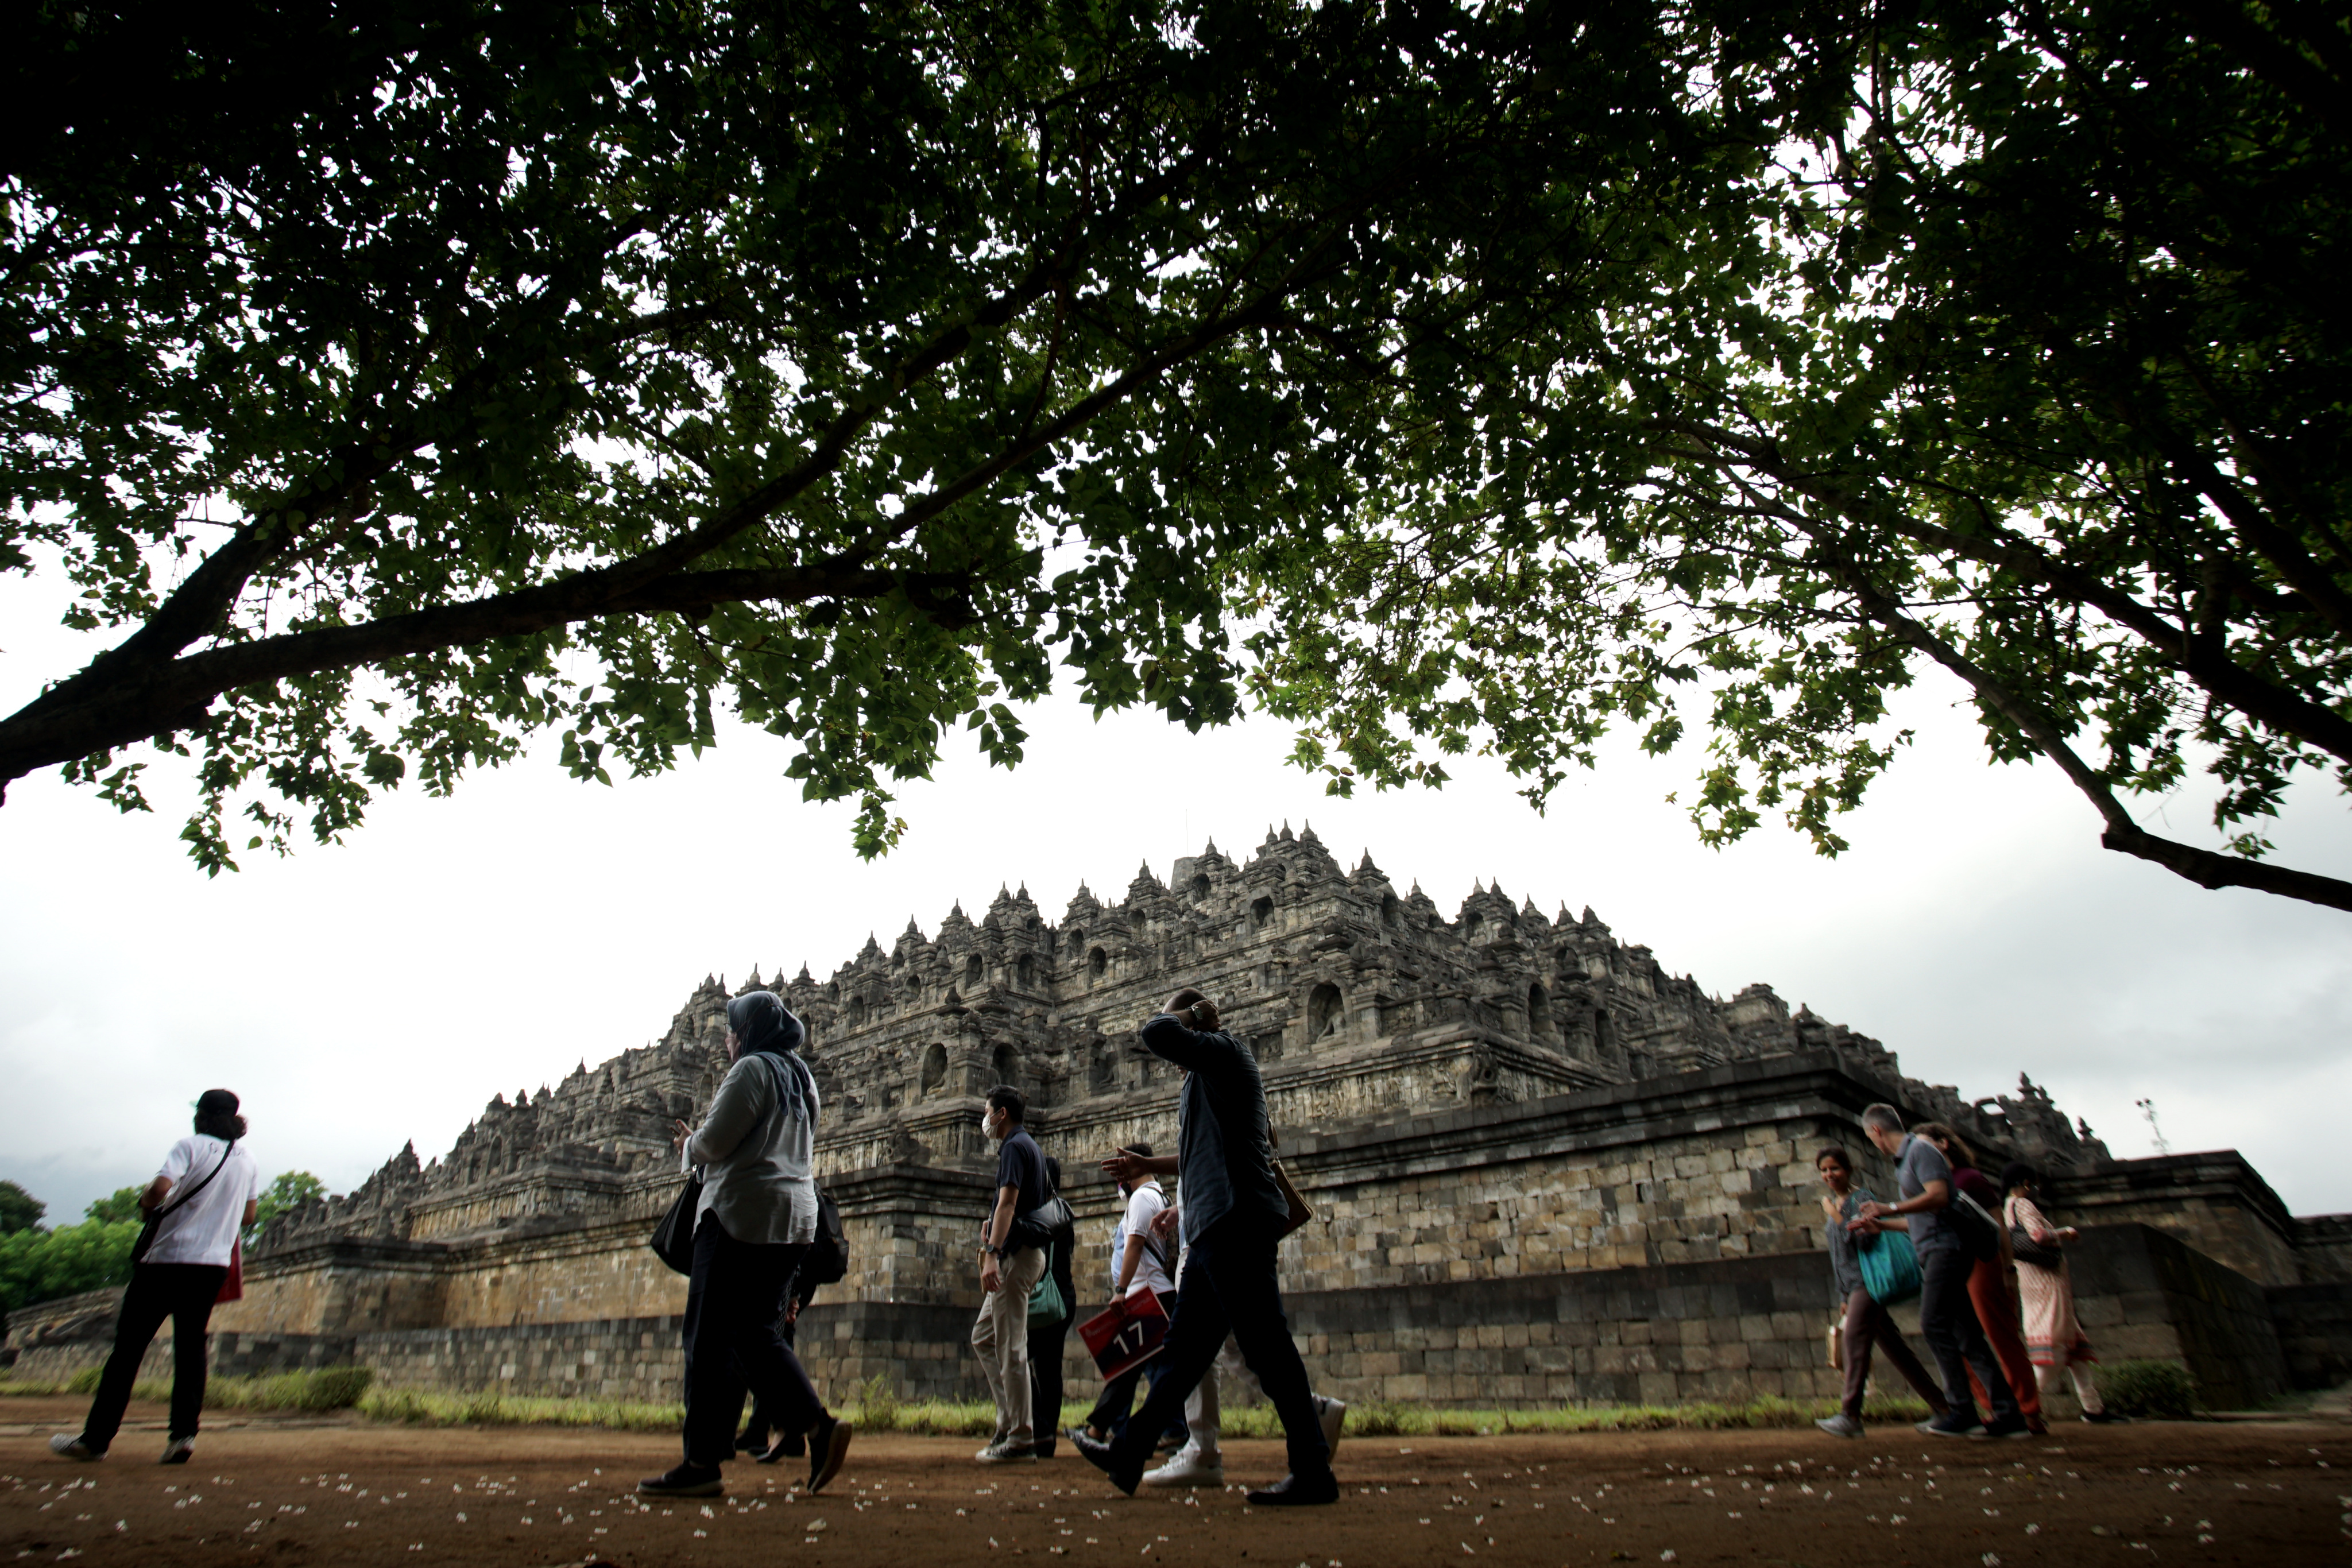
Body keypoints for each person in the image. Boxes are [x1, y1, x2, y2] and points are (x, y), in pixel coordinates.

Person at [1077, 988, 1337, 1506]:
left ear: (1196, 1026)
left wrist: (1187, 1014)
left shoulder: (1224, 1052)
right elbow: (1198, 1152)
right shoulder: (1202, 1077)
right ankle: (1129, 1451)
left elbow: (1155, 1032)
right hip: (1209, 1228)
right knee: (1184, 1354)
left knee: (1265, 1343)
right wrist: (1148, 1165)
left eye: (1185, 1030)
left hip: (1235, 1219)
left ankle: (1312, 1468)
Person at [640, 991, 851, 1499]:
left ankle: (701, 1461)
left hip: (739, 1215)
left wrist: (688, 1145)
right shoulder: (803, 1078)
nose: (727, 1040)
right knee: (756, 1335)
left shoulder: (752, 1069)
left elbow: (714, 1143)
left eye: (732, 1031)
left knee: (708, 1339)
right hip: (794, 1221)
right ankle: (818, 1426)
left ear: (748, 1032)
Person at [52, 1089, 261, 1465]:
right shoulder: (247, 1159)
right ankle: (183, 1436)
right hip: (212, 1267)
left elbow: (161, 1188)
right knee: (191, 1349)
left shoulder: (189, 1146)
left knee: (128, 1351)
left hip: (166, 1261)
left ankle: (96, 1439)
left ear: (202, 1116)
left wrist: (147, 1202)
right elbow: (249, 1217)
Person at [1851, 1104, 2027, 1440]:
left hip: (1945, 1250)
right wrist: (1882, 1225)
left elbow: (1940, 1197)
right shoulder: (1908, 1160)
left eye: (1870, 1138)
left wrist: (1889, 1207)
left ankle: (1962, 1411)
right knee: (1967, 1335)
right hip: (1936, 1248)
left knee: (1933, 1324)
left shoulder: (1921, 1150)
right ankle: (2008, 1414)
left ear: (1876, 1131)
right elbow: (1922, 1216)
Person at [1913, 1121, 2045, 1434]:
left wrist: (2008, 1267)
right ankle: (1992, 1407)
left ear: (1944, 1144)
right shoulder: (1933, 1183)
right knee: (1962, 1338)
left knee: (1999, 1334)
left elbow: (1998, 1224)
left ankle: (2028, 1410)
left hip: (1982, 1261)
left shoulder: (1968, 1178)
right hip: (1949, 1262)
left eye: (1924, 1144)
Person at [1810, 1144, 1948, 1439]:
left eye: (1835, 1168)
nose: (1830, 1175)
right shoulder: (1836, 1202)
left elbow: (1866, 1239)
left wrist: (1835, 1216)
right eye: (1824, 1170)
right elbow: (1839, 1258)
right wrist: (1843, 1296)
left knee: (1854, 1341)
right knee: (1896, 1349)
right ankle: (1943, 1407)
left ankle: (1850, 1415)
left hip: (1869, 1281)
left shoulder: (1861, 1198)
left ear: (1848, 1170)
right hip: (1854, 1286)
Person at [1078, 1143, 1179, 1449]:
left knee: (1126, 1365)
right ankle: (1171, 1429)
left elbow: (1134, 1244)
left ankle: (1100, 1430)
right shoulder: (1160, 1196)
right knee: (1148, 1367)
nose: (1120, 1179)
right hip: (1156, 1293)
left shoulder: (1142, 1199)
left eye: (1122, 1170)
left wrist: (1120, 1292)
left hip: (1147, 1296)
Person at [2002, 1163, 2120, 1423]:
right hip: (2046, 1280)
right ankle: (2020, 1408)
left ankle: (2093, 1407)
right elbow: (2038, 1236)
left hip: (2032, 1279)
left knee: (2073, 1349)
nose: (2034, 1189)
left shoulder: (2007, 1208)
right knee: (2053, 1350)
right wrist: (2065, 1233)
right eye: (2032, 1184)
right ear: (2025, 1183)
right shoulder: (2023, 1204)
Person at [972, 1083, 1051, 1464]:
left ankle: (1021, 1436)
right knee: (984, 1337)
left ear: (1002, 1113)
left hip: (1016, 1257)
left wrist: (992, 1254)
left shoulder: (1013, 1147)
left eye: (988, 1111)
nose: (985, 1118)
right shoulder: (1027, 1145)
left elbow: (1008, 1203)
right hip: (1023, 1253)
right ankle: (1009, 1420)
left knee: (1011, 1346)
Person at [1029, 1155, 1080, 1457]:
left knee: (1014, 1357)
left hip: (1044, 1298)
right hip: (1065, 1297)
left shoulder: (1038, 1214)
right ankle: (1046, 1434)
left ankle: (1039, 1427)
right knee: (1050, 1368)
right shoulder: (1064, 1212)